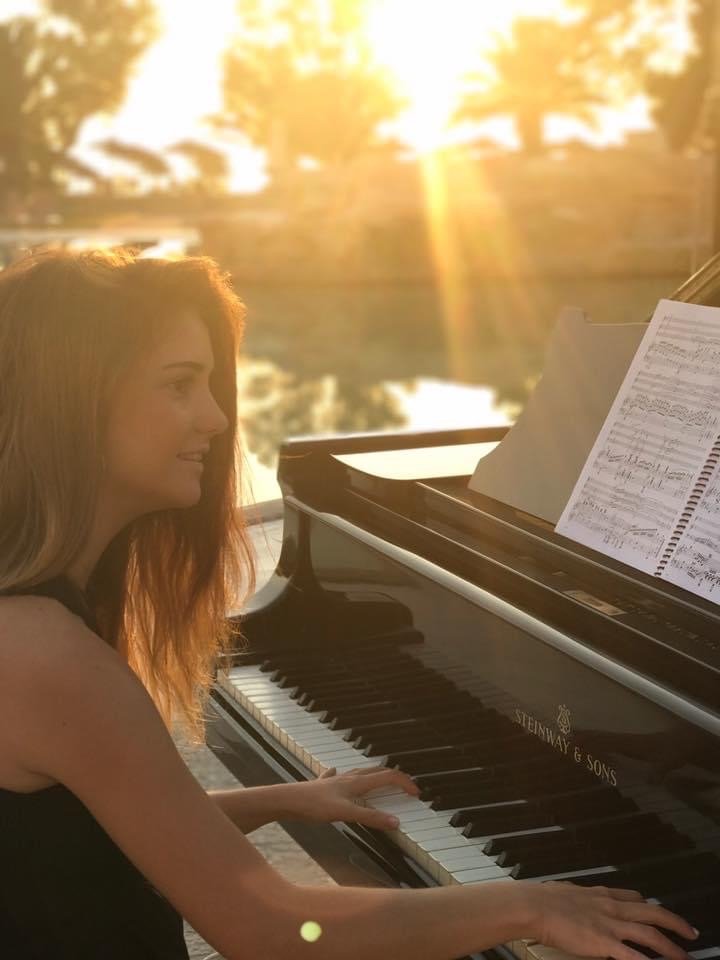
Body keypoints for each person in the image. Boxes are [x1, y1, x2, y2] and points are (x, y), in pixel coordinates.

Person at [0, 246, 698, 960]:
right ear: (73, 402)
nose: (214, 419)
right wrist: (532, 903)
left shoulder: (26, 622)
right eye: (180, 385)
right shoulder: (46, 656)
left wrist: (284, 799)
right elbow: (272, 930)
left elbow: (98, 823)